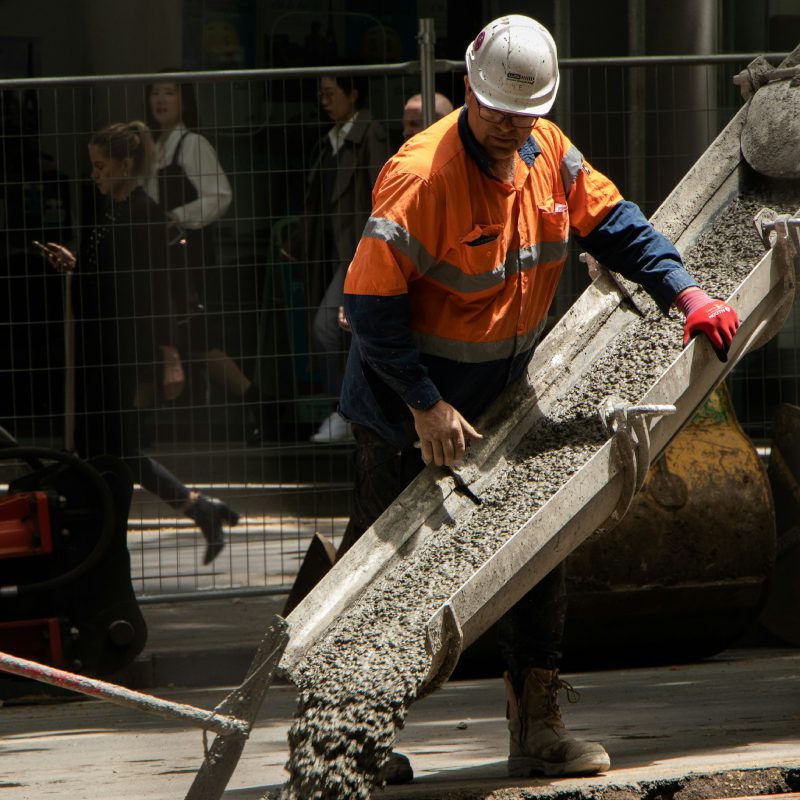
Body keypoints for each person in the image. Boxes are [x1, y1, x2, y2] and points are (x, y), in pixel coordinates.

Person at [338, 15, 740, 783]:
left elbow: (617, 225)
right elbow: (373, 309)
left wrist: (685, 291)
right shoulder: (420, 177)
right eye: (496, 112)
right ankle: (354, 737)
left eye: (526, 115)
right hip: (401, 412)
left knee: (539, 557)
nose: (510, 127)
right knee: (388, 580)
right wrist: (423, 405)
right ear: (468, 89)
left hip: (501, 401)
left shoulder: (548, 155)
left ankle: (538, 727)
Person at [39, 121, 240, 565]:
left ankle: (108, 544)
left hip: (126, 350)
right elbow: (112, 277)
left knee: (116, 450)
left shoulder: (144, 214)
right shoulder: (113, 208)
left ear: (125, 164)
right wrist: (76, 265)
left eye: (100, 165)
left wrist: (169, 358)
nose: (94, 175)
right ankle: (196, 509)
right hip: (104, 347)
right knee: (113, 449)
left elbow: (156, 290)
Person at [143, 74, 268, 444]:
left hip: (187, 259)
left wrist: (178, 216)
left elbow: (220, 195)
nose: (161, 99)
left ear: (185, 101)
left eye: (170, 92)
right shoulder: (154, 146)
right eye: (155, 93)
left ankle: (257, 403)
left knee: (196, 340)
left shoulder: (191, 144)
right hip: (160, 258)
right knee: (173, 338)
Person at [302, 73, 390, 443]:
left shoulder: (369, 134)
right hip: (335, 250)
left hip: (359, 250)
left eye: (330, 93)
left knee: (328, 329)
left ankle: (346, 412)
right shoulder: (332, 140)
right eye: (320, 94)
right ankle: (349, 411)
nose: (324, 101)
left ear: (353, 93)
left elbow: (382, 195)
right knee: (337, 331)